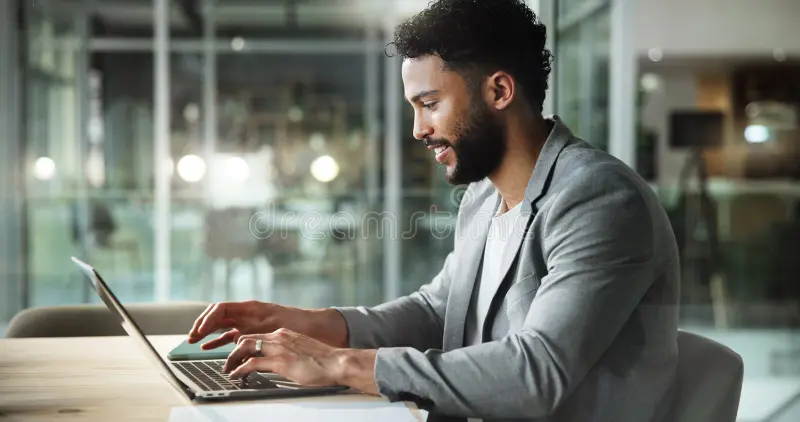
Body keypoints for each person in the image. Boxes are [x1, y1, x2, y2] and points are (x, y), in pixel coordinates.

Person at [188, 1, 680, 421]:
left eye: (430, 104)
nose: (418, 130)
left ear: (500, 91)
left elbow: (538, 371)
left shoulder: (599, 198)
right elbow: (439, 310)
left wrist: (341, 365)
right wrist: (314, 324)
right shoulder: (484, 198)